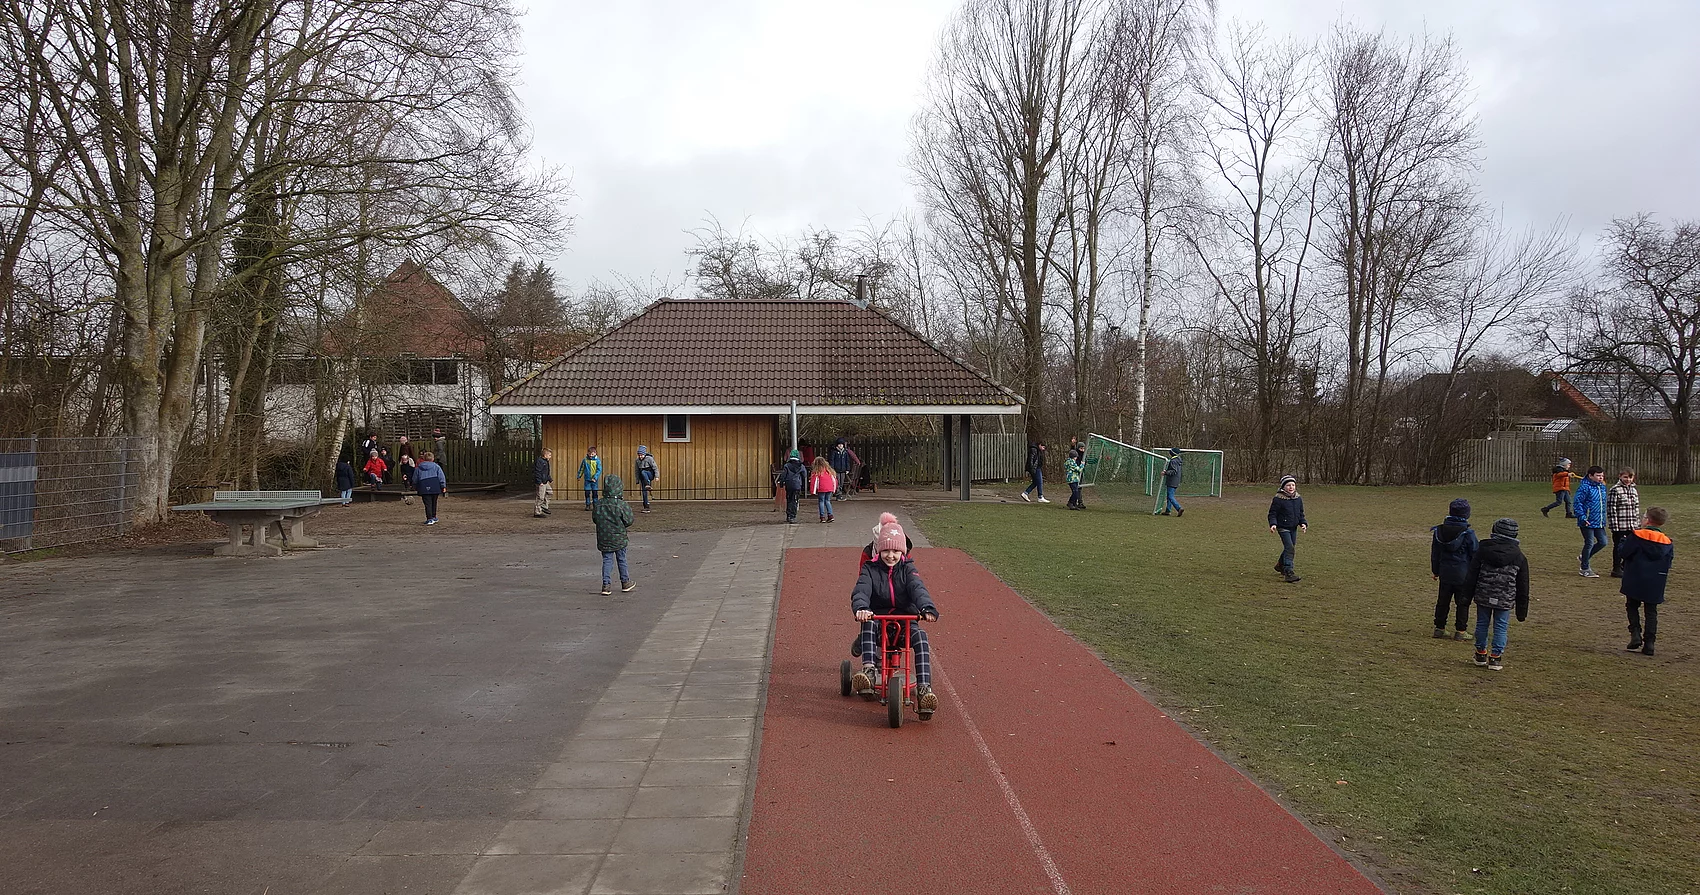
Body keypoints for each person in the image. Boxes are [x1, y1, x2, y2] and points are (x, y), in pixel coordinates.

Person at [849, 519, 940, 714]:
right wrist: (862, 608)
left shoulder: (908, 570)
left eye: (896, 551)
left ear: (903, 552)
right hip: (880, 625)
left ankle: (925, 690)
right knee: (869, 624)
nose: (891, 556)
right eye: (886, 551)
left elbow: (918, 589)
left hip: (904, 624)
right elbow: (861, 590)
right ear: (879, 551)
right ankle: (869, 670)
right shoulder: (870, 569)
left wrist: (927, 608)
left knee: (921, 638)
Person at [1464, 518, 1531, 671]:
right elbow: (1523, 585)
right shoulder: (1519, 557)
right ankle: (1495, 657)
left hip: (1483, 594)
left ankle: (1480, 653)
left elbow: (1472, 575)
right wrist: (1522, 610)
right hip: (1505, 597)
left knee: (1482, 623)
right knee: (1501, 626)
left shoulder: (1482, 551)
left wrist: (1465, 597)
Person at [1619, 506, 1672, 656]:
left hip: (1635, 575)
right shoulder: (1667, 541)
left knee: (1632, 605)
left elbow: (1624, 552)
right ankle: (1650, 642)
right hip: (1656, 579)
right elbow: (1669, 562)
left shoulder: (1636, 536)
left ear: (1647, 520)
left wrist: (1623, 541)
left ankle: (1635, 633)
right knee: (1651, 611)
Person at [1430, 498, 1479, 640]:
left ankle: (1439, 628)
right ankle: (1461, 631)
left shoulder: (1439, 531)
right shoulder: (1468, 533)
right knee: (1462, 603)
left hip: (1445, 572)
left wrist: (1436, 571)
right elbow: (1475, 553)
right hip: (1463, 574)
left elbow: (1435, 553)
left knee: (1443, 601)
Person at [592, 474, 635, 595]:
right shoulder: (621, 505)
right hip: (619, 537)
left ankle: (606, 585)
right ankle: (625, 582)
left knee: (607, 560)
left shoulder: (599, 504)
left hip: (604, 537)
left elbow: (595, 518)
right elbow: (629, 520)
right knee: (622, 559)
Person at [1268, 475, 1306, 583]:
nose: (1291, 487)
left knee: (1290, 547)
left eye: (1293, 485)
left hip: (1293, 527)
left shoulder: (1298, 498)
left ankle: (1280, 565)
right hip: (1282, 527)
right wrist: (1273, 524)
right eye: (1288, 485)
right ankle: (1289, 571)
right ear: (1283, 487)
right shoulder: (1278, 499)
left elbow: (1300, 513)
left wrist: (1303, 523)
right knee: (1289, 547)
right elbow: (1272, 514)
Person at [1573, 465, 1609, 577]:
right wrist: (1582, 517)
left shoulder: (1602, 487)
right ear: (1590, 476)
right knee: (1589, 543)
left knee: (1603, 542)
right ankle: (1584, 568)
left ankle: (1584, 557)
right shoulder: (1584, 487)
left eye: (1602, 475)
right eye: (1598, 476)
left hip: (1598, 521)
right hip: (1587, 521)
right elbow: (1577, 503)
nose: (1600, 478)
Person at [1607, 467, 1641, 578]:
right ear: (1620, 476)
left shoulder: (1633, 490)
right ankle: (1616, 568)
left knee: (1634, 546)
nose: (1628, 479)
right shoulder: (1615, 490)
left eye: (1630, 477)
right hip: (1620, 525)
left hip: (1632, 524)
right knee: (1618, 547)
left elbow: (1636, 508)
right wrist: (1614, 526)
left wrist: (1638, 524)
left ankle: (1625, 566)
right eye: (1625, 477)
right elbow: (1611, 509)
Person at [413, 451, 447, 525]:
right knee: (434, 502)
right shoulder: (436, 466)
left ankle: (429, 518)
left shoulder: (419, 467)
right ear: (433, 458)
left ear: (424, 458)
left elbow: (415, 478)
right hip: (435, 485)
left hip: (423, 486)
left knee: (427, 503)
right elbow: (441, 477)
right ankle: (434, 516)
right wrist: (443, 486)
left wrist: (415, 485)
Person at [779, 449, 807, 524]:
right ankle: (793, 516)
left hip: (789, 484)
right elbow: (804, 475)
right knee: (795, 500)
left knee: (789, 499)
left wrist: (781, 483)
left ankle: (788, 515)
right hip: (797, 485)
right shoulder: (801, 466)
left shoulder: (787, 465)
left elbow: (783, 475)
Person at [1157, 447, 1184, 516]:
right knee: (1169, 496)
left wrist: (1166, 472)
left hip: (1172, 481)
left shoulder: (1173, 461)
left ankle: (1178, 508)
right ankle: (1168, 510)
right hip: (1176, 481)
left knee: (1170, 496)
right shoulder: (1178, 460)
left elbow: (1174, 471)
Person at [810, 456, 837, 523]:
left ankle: (822, 517)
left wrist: (812, 491)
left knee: (821, 501)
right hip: (829, 488)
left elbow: (814, 482)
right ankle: (830, 515)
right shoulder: (830, 471)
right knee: (828, 501)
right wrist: (834, 489)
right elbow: (834, 480)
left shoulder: (816, 472)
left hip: (821, 488)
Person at [634, 445, 659, 513]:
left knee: (643, 471)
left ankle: (648, 483)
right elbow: (636, 471)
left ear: (644, 454)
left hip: (649, 474)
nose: (640, 456)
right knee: (644, 491)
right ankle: (646, 506)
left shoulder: (649, 459)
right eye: (639, 455)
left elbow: (655, 467)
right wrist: (637, 480)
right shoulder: (637, 461)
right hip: (643, 477)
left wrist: (657, 476)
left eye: (641, 455)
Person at [576, 446, 602, 511]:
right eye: (589, 454)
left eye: (592, 454)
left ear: (595, 453)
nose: (591, 455)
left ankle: (595, 505)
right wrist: (579, 476)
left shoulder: (597, 461)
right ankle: (587, 504)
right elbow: (582, 468)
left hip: (594, 480)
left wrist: (595, 477)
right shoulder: (585, 460)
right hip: (587, 479)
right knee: (587, 492)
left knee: (595, 492)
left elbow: (599, 470)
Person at [533, 447, 553, 517]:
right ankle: (537, 512)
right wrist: (539, 482)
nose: (550, 457)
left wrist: (549, 479)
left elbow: (546, 472)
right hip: (541, 482)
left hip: (545, 481)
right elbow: (537, 472)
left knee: (549, 492)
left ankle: (544, 506)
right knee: (540, 497)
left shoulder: (546, 461)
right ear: (545, 455)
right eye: (549, 455)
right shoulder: (539, 461)